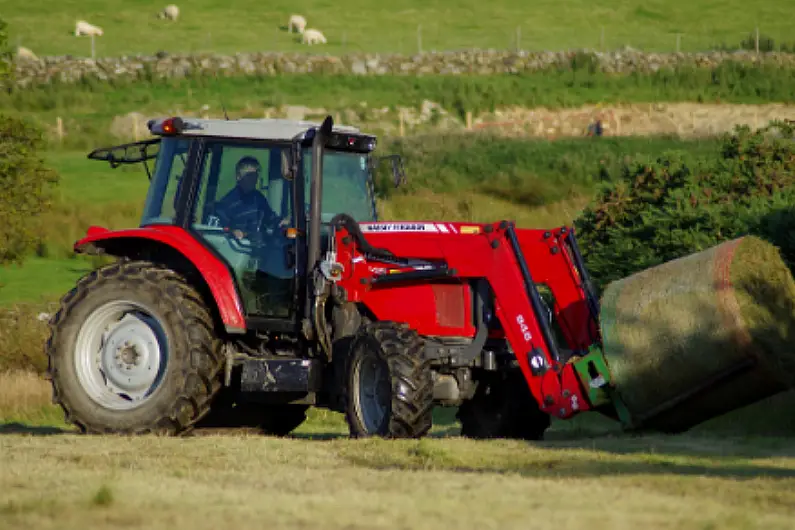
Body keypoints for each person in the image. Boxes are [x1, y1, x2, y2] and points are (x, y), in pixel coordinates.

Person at [214, 156, 288, 240]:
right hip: (236, 249)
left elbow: (270, 218)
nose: (254, 179)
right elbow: (220, 230)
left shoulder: (259, 198)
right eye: (250, 176)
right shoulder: (228, 203)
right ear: (238, 176)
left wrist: (281, 222)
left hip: (259, 247)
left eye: (256, 175)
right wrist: (233, 232)